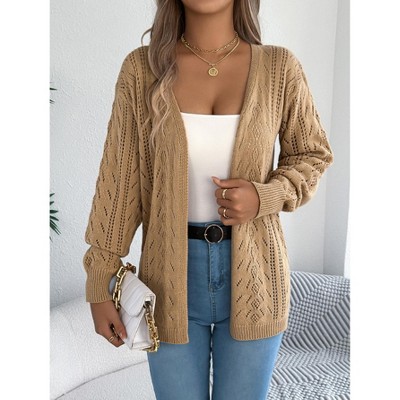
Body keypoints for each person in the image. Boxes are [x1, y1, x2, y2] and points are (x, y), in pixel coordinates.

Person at [82, 0, 334, 399]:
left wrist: (264, 196)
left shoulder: (279, 68)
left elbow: (312, 155)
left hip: (257, 274)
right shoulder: (141, 70)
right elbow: (119, 182)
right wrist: (100, 280)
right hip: (167, 278)